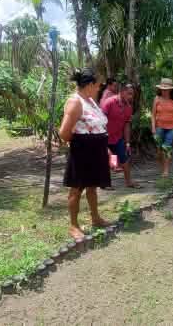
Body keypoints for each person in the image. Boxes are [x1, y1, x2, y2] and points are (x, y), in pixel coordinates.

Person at [59, 68, 111, 239]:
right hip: (82, 151)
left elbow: (99, 125)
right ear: (89, 85)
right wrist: (80, 145)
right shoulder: (75, 102)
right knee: (76, 189)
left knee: (92, 187)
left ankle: (95, 218)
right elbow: (64, 133)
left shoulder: (90, 100)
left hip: (96, 150)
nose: (99, 89)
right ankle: (73, 226)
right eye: (97, 86)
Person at [101, 84, 140, 189]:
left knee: (124, 158)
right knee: (107, 159)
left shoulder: (128, 107)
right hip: (104, 137)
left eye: (132, 95)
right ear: (122, 92)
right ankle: (105, 183)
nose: (131, 97)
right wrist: (102, 138)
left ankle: (129, 182)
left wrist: (127, 142)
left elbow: (127, 125)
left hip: (117, 138)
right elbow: (100, 121)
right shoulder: (109, 102)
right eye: (129, 94)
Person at [151, 78, 173, 178]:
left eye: (166, 89)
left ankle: (166, 170)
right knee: (159, 150)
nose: (164, 91)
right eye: (163, 89)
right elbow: (153, 114)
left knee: (167, 148)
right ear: (160, 89)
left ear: (170, 89)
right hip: (159, 127)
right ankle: (162, 166)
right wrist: (153, 127)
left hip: (172, 128)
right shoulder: (157, 98)